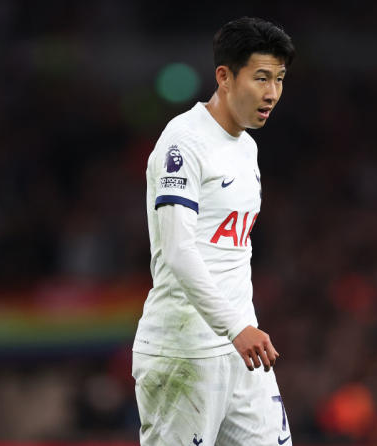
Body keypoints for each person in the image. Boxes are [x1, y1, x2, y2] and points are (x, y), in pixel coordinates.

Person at [132, 17, 295, 446]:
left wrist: (240, 327)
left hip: (240, 351)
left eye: (278, 79)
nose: (272, 93)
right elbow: (179, 250)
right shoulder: (182, 143)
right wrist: (235, 325)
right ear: (224, 76)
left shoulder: (247, 147)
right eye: (261, 78)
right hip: (183, 350)